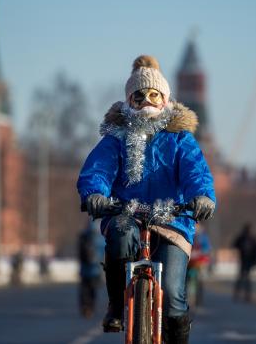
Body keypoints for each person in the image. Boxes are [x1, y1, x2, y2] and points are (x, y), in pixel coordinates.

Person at [77, 55, 216, 344]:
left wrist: (201, 197)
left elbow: (196, 172)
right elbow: (97, 170)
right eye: (139, 96)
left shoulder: (180, 139)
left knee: (173, 295)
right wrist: (95, 195)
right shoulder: (116, 137)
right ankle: (117, 304)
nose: (147, 102)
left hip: (173, 220)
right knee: (118, 239)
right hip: (125, 212)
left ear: (165, 100)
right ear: (129, 100)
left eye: (154, 95)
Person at [78, 220, 105, 318]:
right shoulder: (101, 239)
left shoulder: (83, 237)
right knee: (92, 290)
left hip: (85, 270)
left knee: (85, 290)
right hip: (95, 270)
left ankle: (86, 307)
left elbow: (80, 253)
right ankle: (90, 307)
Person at [187, 223, 212, 307]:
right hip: (190, 262)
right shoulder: (190, 234)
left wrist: (200, 253)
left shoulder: (203, 237)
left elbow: (207, 248)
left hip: (200, 262)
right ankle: (190, 297)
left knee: (199, 279)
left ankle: (198, 298)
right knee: (188, 279)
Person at [232, 224, 256, 302]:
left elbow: (235, 245)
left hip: (245, 260)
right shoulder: (251, 238)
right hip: (247, 261)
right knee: (246, 279)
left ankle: (238, 294)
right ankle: (246, 295)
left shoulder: (242, 237)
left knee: (242, 278)